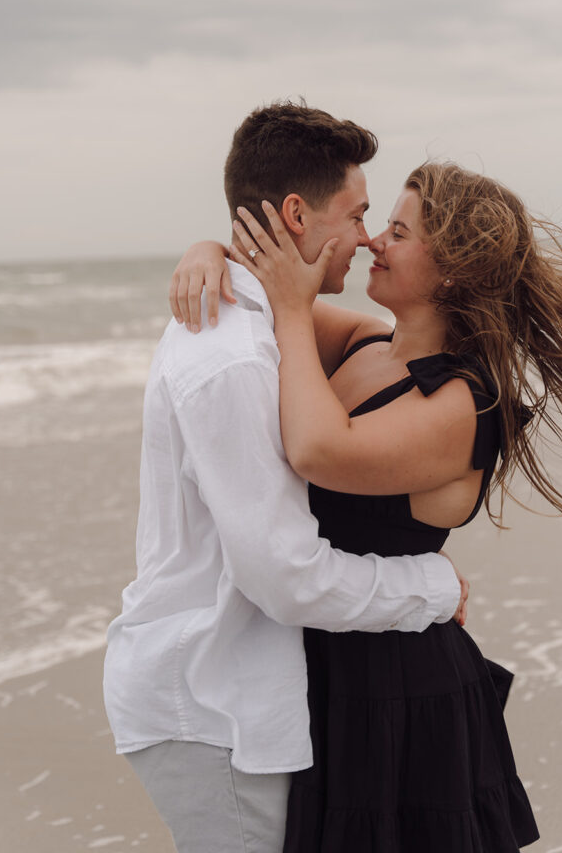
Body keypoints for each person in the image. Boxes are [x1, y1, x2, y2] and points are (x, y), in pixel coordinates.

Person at [174, 160, 562, 851]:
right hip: (323, 660)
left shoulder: (464, 402)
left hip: (399, 692)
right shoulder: (365, 345)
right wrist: (205, 252)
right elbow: (258, 293)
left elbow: (317, 452)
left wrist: (294, 309)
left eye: (396, 231)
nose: (372, 243)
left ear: (450, 269)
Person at [103, 103, 470, 853]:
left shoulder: (263, 319)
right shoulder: (235, 355)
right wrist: (434, 589)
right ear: (297, 212)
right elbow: (285, 577)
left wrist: (212, 244)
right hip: (210, 703)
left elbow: (383, 341)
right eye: (359, 213)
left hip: (230, 691)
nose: (367, 237)